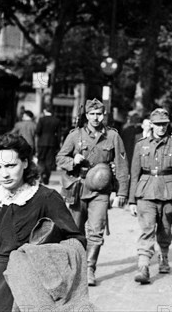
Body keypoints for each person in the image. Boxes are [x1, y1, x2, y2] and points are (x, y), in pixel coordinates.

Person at [0, 133, 85, 312]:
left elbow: (77, 241)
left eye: (11, 165)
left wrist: (40, 253)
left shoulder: (46, 198)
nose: (5, 173)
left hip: (33, 291)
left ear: (25, 163)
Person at [56, 98, 129, 286]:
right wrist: (73, 161)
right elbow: (60, 158)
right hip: (78, 188)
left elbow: (122, 166)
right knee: (74, 231)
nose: (96, 118)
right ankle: (75, 268)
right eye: (92, 114)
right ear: (86, 115)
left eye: (99, 114)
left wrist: (121, 193)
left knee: (97, 231)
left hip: (101, 191)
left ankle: (89, 269)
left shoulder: (113, 137)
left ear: (104, 115)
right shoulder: (75, 135)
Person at [129, 108, 172, 284]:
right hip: (146, 191)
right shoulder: (141, 144)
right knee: (147, 228)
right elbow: (135, 173)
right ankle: (143, 266)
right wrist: (132, 200)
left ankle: (163, 256)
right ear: (151, 125)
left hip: (169, 191)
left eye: (164, 124)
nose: (161, 128)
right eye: (158, 124)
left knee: (165, 227)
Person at [36, 104, 62, 185]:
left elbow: (37, 131)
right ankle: (47, 176)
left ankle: (41, 174)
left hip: (42, 142)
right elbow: (59, 134)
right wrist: (58, 145)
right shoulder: (57, 120)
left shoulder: (41, 120)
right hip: (52, 142)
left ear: (45, 111)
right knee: (49, 161)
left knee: (41, 159)